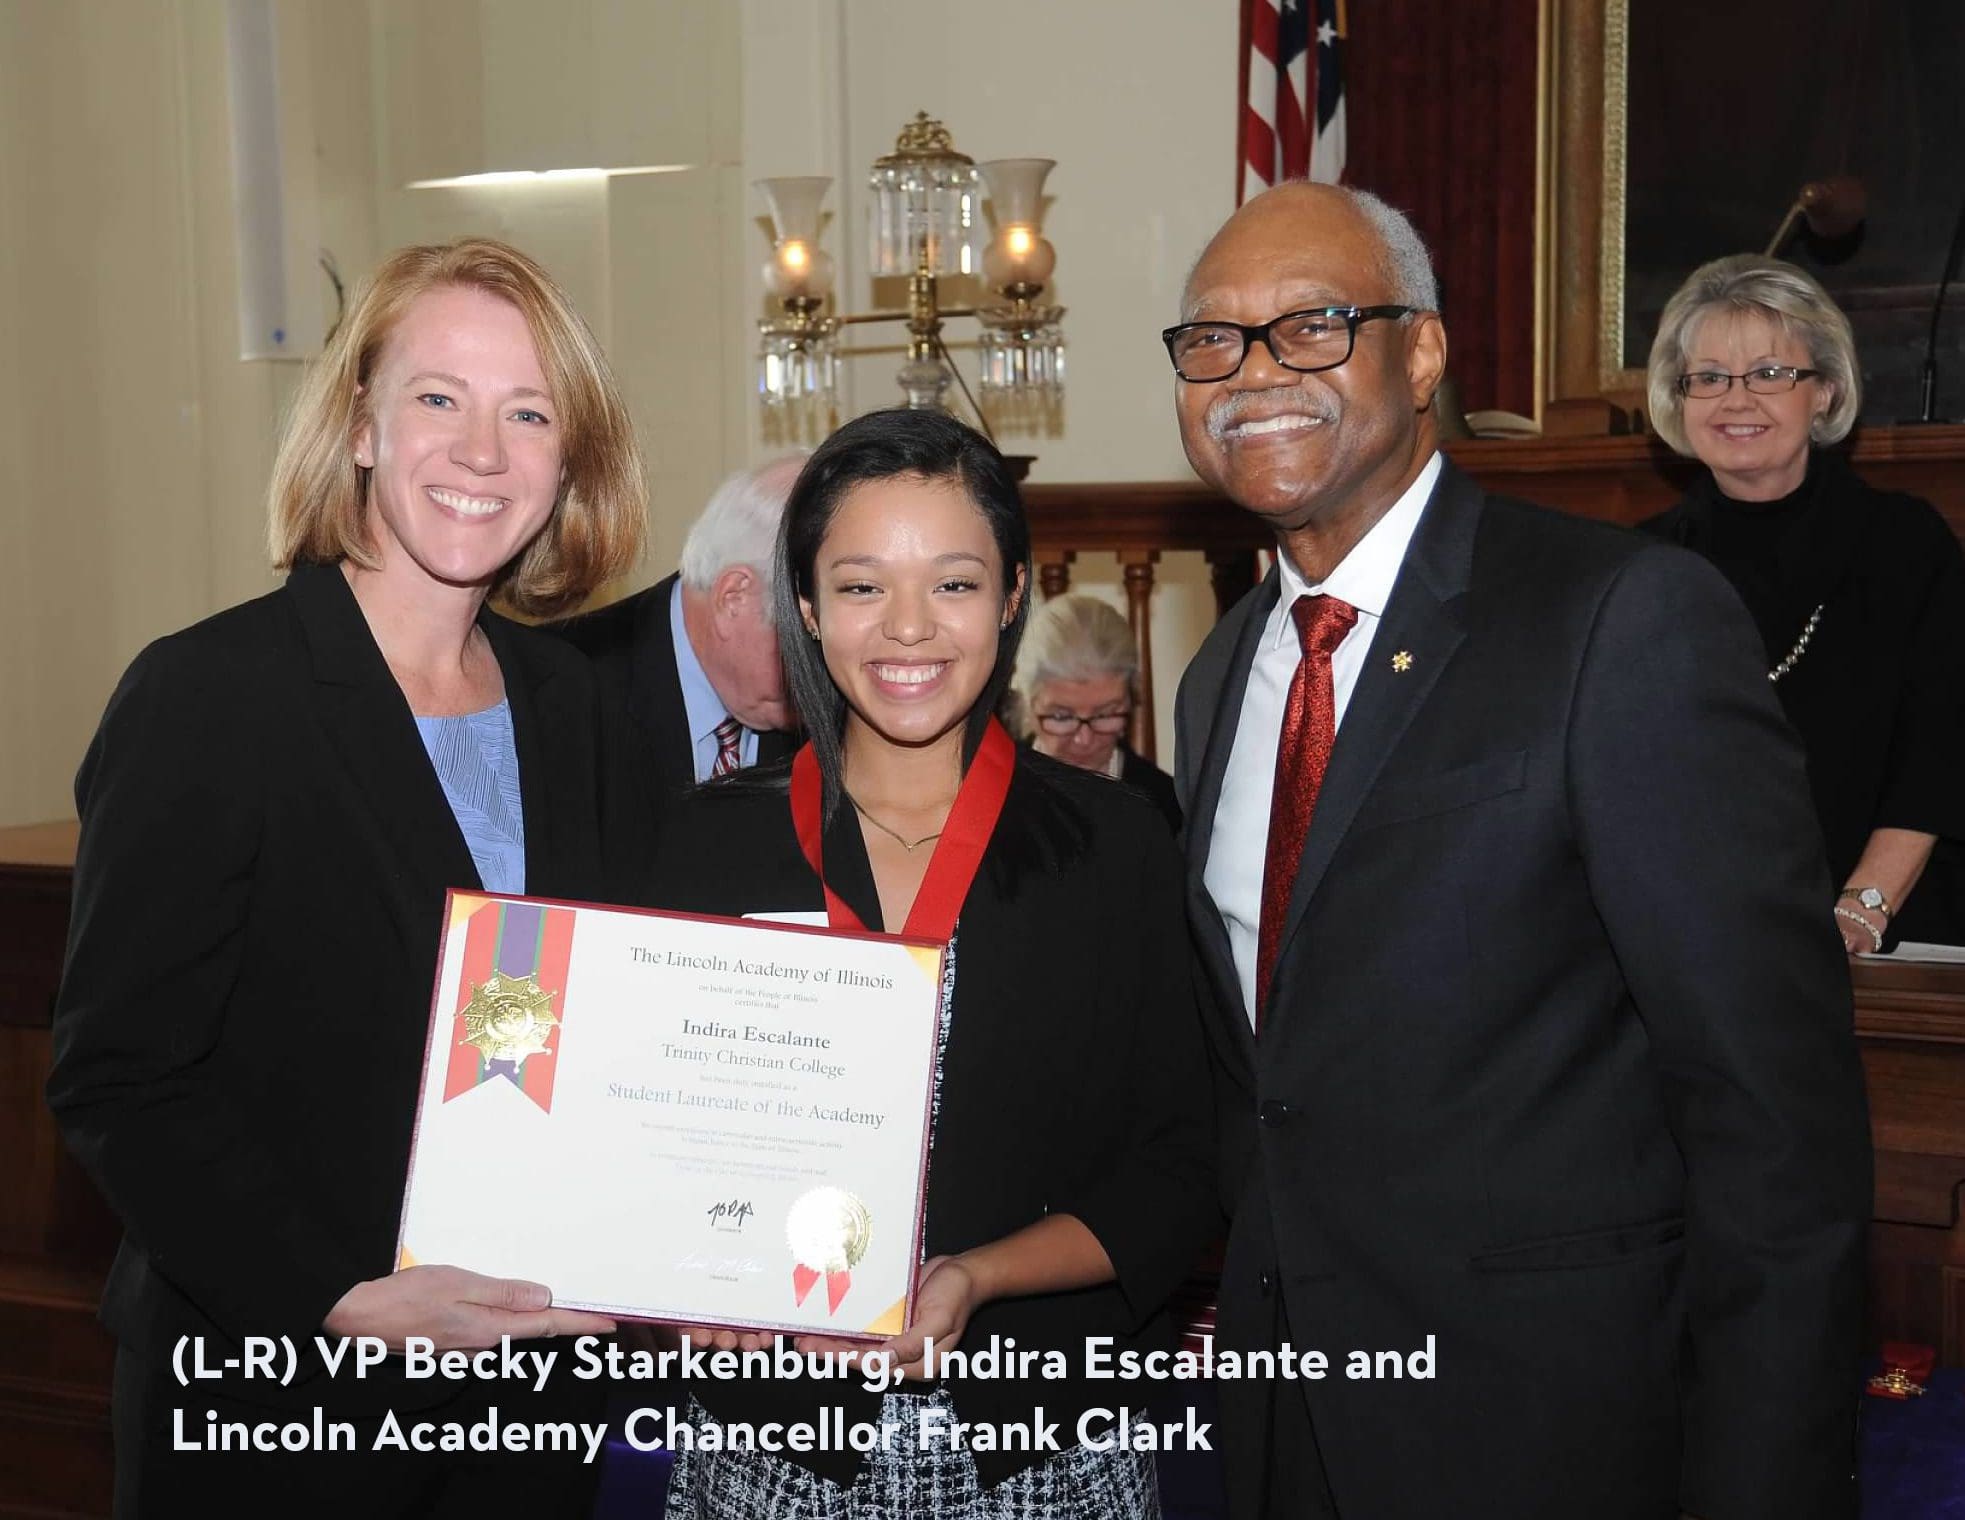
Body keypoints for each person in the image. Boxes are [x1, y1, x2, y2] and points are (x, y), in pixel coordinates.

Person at [1167, 183, 1871, 1520]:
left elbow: (1770, 1117)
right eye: (1210, 341)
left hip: (1549, 1430)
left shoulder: (1621, 621)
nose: (1252, 373)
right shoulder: (1219, 678)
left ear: (1420, 353)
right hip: (1290, 1424)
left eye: (1311, 326)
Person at [46, 238, 643, 1518]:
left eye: (528, 412)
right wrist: (337, 1293)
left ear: (567, 462)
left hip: (526, 1402)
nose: (482, 450)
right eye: (439, 397)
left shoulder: (574, 702)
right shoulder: (208, 696)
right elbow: (119, 1076)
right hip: (286, 1401)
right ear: (360, 427)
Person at [641, 408, 1216, 1518]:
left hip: (1041, 1444)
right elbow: (650, 1145)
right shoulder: (704, 843)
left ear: (1010, 597)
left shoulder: (1117, 844)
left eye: (952, 584)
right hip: (776, 1449)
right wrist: (683, 1277)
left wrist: (977, 1273)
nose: (908, 629)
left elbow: (1176, 1170)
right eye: (861, 586)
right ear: (804, 606)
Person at [1641, 253, 1965, 952]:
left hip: (1892, 932)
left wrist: (1858, 910)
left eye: (1768, 373)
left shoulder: (1904, 544)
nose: (1735, 401)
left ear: (1823, 391)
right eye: (1708, 378)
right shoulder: (1638, 568)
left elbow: (1940, 751)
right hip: (1695, 940)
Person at [551, 456, 805, 805]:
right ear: (733, 598)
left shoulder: (837, 716)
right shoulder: (563, 688)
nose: (823, 668)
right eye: (807, 635)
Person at [1013, 594, 1181, 830]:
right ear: (1028, 704)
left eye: (1104, 715)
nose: (1084, 740)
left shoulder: (1167, 808)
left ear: (1130, 701)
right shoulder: (988, 794)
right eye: (1062, 716)